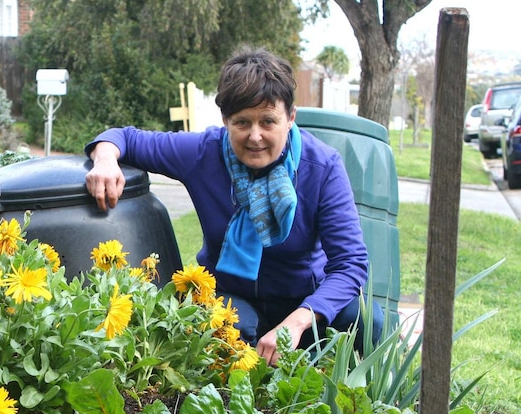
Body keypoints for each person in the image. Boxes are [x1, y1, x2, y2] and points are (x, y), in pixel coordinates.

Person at [84, 46, 384, 366]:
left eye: (268, 121)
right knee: (232, 329)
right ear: (226, 121)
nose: (255, 136)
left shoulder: (322, 167)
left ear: (290, 118)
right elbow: (124, 137)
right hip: (233, 299)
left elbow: (350, 264)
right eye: (242, 123)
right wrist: (104, 158)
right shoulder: (203, 152)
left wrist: (298, 321)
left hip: (303, 305)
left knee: (366, 321)